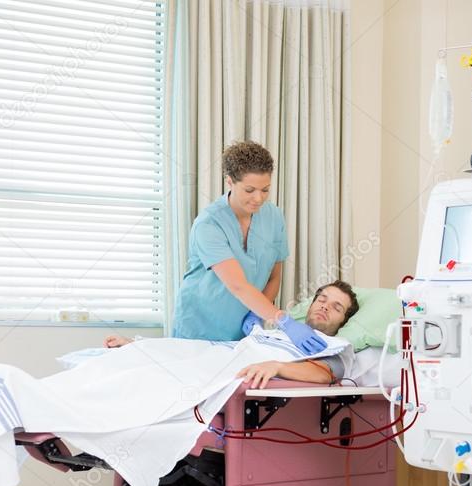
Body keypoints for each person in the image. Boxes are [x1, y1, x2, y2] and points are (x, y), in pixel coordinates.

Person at [105, 141, 326, 354]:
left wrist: (257, 314)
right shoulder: (209, 224)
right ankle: (134, 347)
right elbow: (238, 285)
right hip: (199, 326)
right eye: (249, 190)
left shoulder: (274, 217)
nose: (259, 198)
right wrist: (282, 320)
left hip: (241, 331)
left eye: (265, 189)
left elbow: (273, 277)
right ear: (229, 182)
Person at [105, 281, 360, 387]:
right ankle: (138, 347)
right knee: (180, 350)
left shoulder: (334, 344)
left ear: (344, 320)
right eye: (322, 299)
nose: (325, 305)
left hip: (235, 367)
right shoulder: (284, 332)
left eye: (336, 307)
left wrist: (277, 366)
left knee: (156, 375)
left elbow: (325, 373)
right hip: (224, 352)